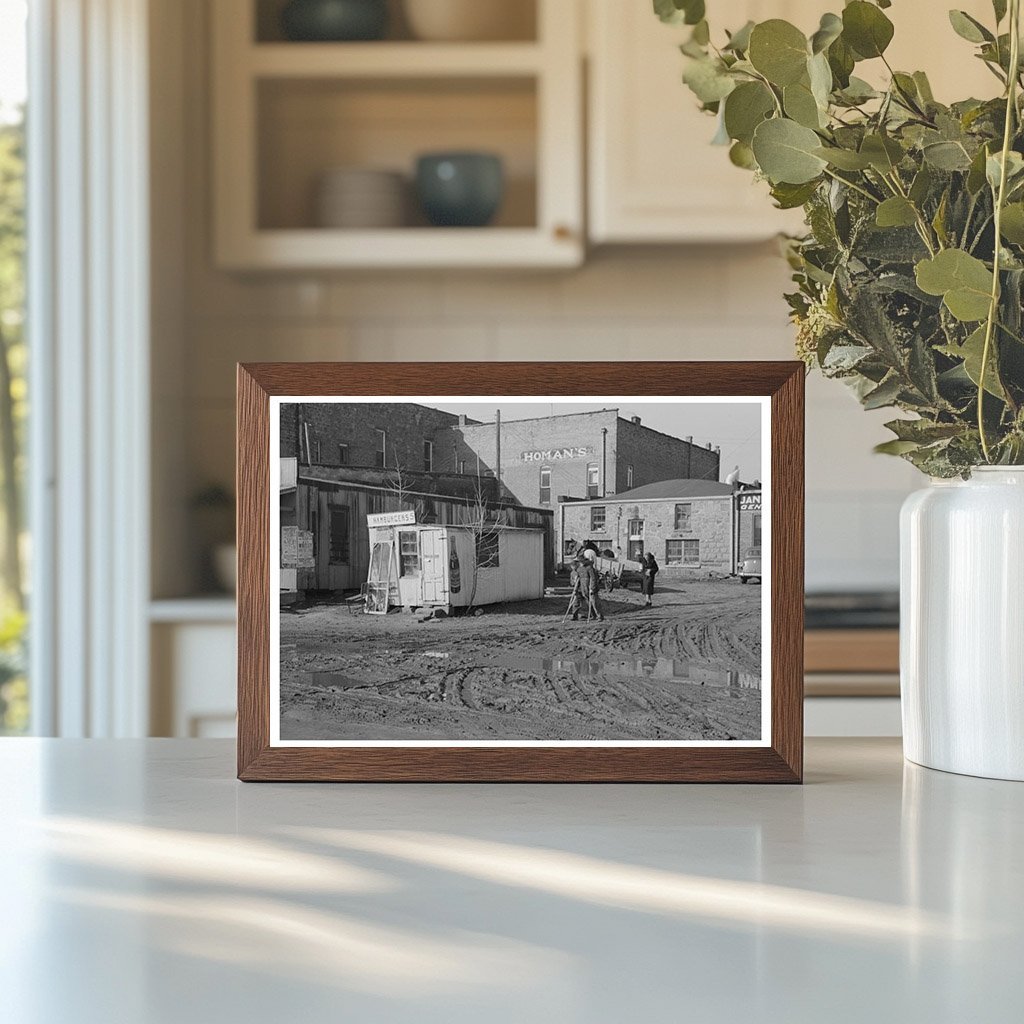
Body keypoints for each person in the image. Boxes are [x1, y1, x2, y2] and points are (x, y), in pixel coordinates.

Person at [570, 556, 604, 622]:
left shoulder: (590, 568)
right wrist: (575, 589)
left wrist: (592, 588)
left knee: (594, 602)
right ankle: (593, 615)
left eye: (582, 561)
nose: (581, 563)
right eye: (580, 562)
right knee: (588, 603)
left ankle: (599, 616)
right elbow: (578, 580)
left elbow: (593, 579)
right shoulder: (579, 569)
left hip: (591, 588)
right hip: (583, 588)